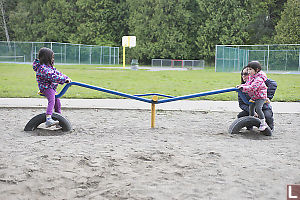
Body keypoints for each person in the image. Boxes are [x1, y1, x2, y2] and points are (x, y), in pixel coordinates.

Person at [33, 47, 72, 127]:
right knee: (52, 100)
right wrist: (63, 80)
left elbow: (58, 73)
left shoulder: (49, 67)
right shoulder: (43, 68)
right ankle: (48, 119)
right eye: (52, 57)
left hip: (51, 88)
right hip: (46, 88)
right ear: (47, 58)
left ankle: (59, 120)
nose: (53, 59)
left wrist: (66, 78)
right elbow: (52, 76)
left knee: (58, 103)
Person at [237, 61, 271, 131]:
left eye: (250, 70)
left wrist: (243, 88)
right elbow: (247, 84)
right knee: (251, 109)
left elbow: (252, 87)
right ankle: (251, 121)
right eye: (248, 69)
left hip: (260, 97)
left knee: (258, 109)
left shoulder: (258, 79)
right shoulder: (251, 77)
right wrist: (241, 86)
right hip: (255, 97)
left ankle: (263, 123)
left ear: (257, 70)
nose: (248, 71)